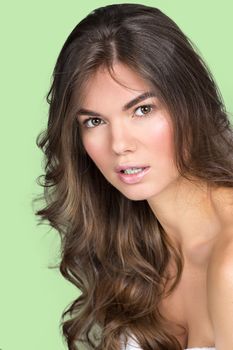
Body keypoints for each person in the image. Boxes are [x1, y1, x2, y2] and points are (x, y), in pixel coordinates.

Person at [34, 3, 233, 350]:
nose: (120, 145)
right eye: (94, 121)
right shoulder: (136, 251)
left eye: (142, 109)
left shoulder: (229, 262)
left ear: (190, 103)